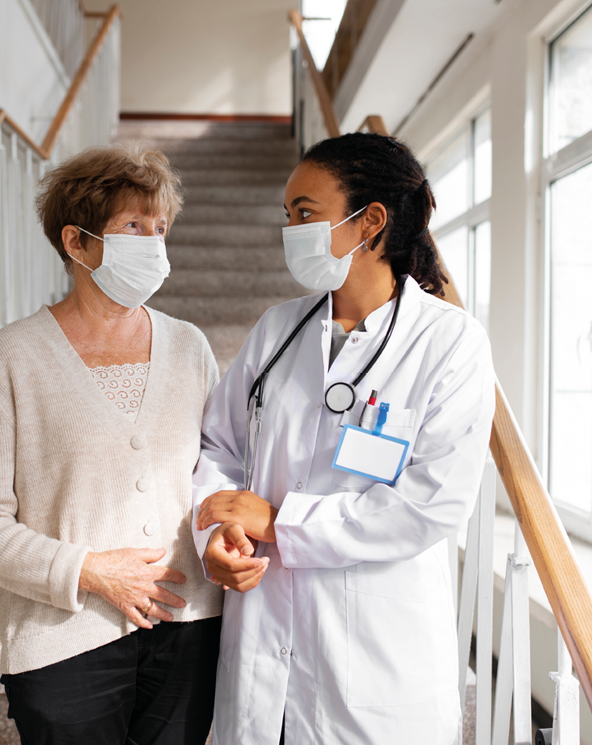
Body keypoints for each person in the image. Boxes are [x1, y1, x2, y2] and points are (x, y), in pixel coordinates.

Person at [192, 132, 495, 744]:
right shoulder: (277, 329)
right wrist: (215, 532)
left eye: (306, 213)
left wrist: (280, 522)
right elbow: (219, 446)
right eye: (287, 215)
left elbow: (431, 503)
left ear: (370, 222)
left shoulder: (448, 343)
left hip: (374, 663)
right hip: (262, 646)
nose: (290, 230)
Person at [0, 143, 222, 745]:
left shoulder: (189, 347)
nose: (154, 244)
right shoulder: (11, 357)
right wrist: (89, 570)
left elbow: (218, 470)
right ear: (77, 243)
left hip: (190, 626)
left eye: (160, 228)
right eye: (134, 227)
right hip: (63, 639)